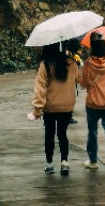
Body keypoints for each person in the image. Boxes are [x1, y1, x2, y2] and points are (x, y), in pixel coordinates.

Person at [27, 42, 79, 175]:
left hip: (50, 107)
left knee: (49, 135)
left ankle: (50, 164)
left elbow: (40, 89)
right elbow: (79, 80)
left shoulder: (45, 65)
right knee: (62, 134)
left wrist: (37, 110)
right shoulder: (71, 63)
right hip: (67, 106)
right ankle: (64, 162)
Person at [79, 30, 105, 172]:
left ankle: (92, 161)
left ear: (92, 46)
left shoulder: (87, 64)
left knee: (92, 132)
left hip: (93, 104)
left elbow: (84, 84)